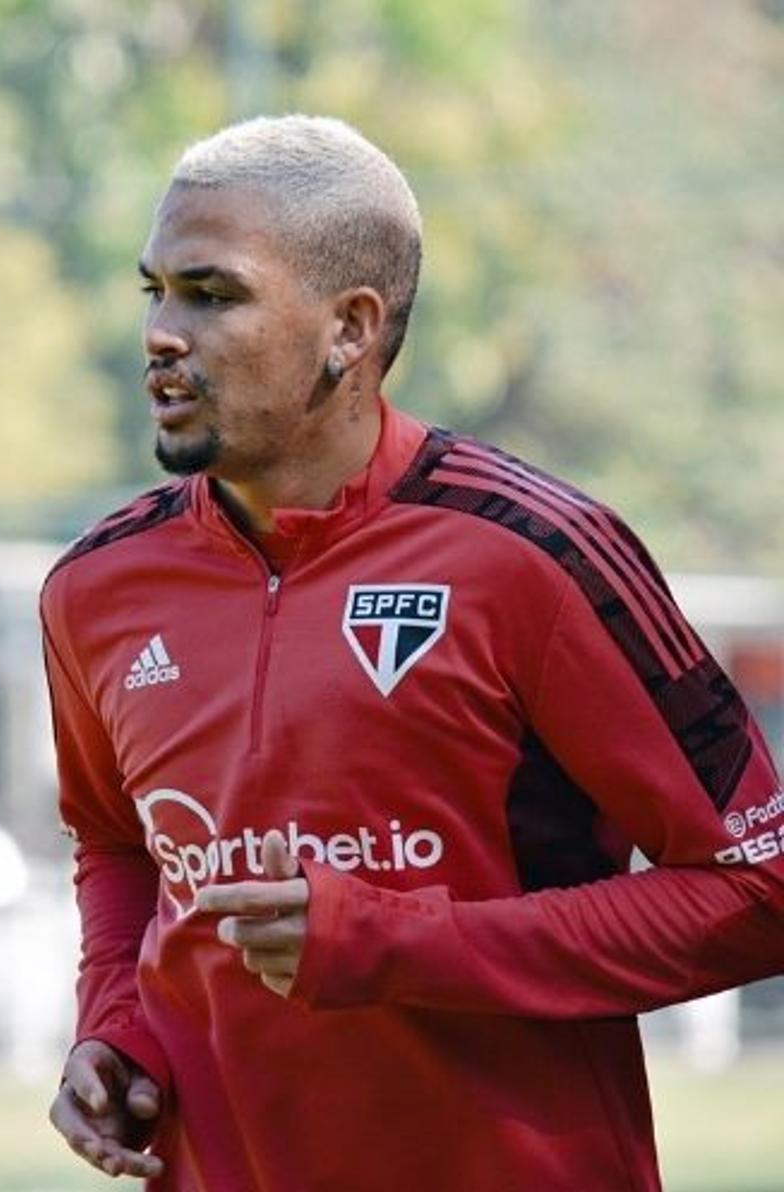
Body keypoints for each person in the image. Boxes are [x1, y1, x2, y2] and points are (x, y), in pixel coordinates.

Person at [39, 114, 784, 1190]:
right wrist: (115, 1030)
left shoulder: (536, 555)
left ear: (350, 327)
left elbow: (757, 890)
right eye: (152, 290)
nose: (162, 331)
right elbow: (116, 844)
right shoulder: (94, 589)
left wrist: (395, 940)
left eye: (212, 295)